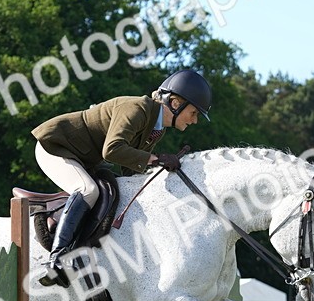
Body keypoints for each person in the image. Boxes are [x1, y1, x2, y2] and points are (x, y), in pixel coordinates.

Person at [30, 69, 213, 285]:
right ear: (175, 103)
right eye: (194, 113)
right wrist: (155, 159)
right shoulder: (137, 108)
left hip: (82, 158)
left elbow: (129, 170)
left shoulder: (156, 128)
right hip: (55, 147)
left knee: (118, 189)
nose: (194, 120)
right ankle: (57, 259)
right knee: (88, 190)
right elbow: (112, 150)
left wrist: (159, 171)